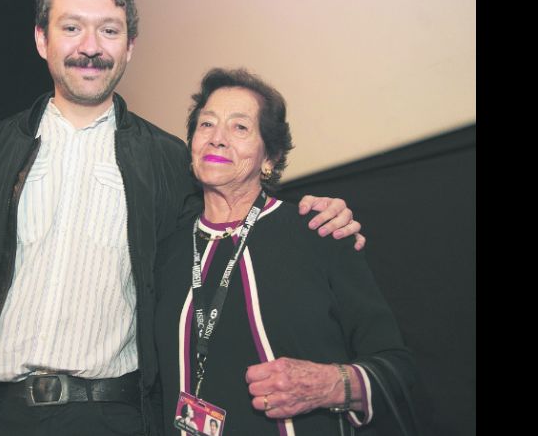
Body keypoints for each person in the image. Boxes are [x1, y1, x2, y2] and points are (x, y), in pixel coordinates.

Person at [0, 0, 365, 436]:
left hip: (116, 417)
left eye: (109, 31)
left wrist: (316, 215)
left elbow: (231, 230)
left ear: (130, 46)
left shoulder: (168, 160)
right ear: (42, 39)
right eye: (72, 28)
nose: (91, 47)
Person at [154, 68, 416, 435]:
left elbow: (398, 368)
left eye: (239, 127)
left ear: (270, 158)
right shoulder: (166, 251)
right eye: (206, 124)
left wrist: (329, 384)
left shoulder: (319, 232)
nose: (217, 139)